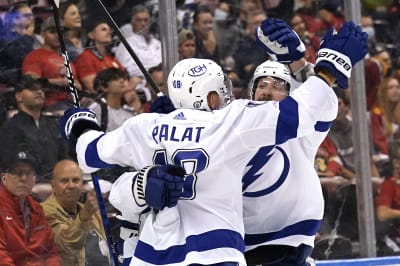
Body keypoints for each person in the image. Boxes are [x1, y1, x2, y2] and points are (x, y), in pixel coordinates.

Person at [60, 18, 368, 266]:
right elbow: (305, 107)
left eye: (279, 86)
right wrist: (330, 66)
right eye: (262, 85)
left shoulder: (145, 126)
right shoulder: (235, 120)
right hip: (222, 251)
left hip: (165, 255)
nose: (269, 91)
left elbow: (88, 154)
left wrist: (80, 123)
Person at [0, 75, 71, 200]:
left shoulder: (53, 124)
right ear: (19, 96)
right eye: (32, 89)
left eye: (41, 89)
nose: (39, 92)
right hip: (31, 185)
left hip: (57, 181)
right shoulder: (11, 127)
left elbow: (65, 156)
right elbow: (13, 164)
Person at [41, 159, 109, 266]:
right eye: (64, 181)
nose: (71, 186)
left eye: (76, 180)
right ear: (53, 186)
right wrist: (85, 214)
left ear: (82, 185)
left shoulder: (93, 211)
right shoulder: (42, 213)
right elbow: (67, 244)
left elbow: (106, 243)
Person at [0, 150, 62, 265]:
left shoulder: (37, 209)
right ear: (4, 178)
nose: (23, 178)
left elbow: (51, 252)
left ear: (34, 178)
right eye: (17, 173)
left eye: (29, 173)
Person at [75, 20, 125, 92]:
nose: (109, 32)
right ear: (91, 35)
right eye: (103, 29)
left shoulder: (112, 60)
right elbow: (94, 87)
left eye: (109, 30)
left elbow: (125, 81)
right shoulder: (85, 58)